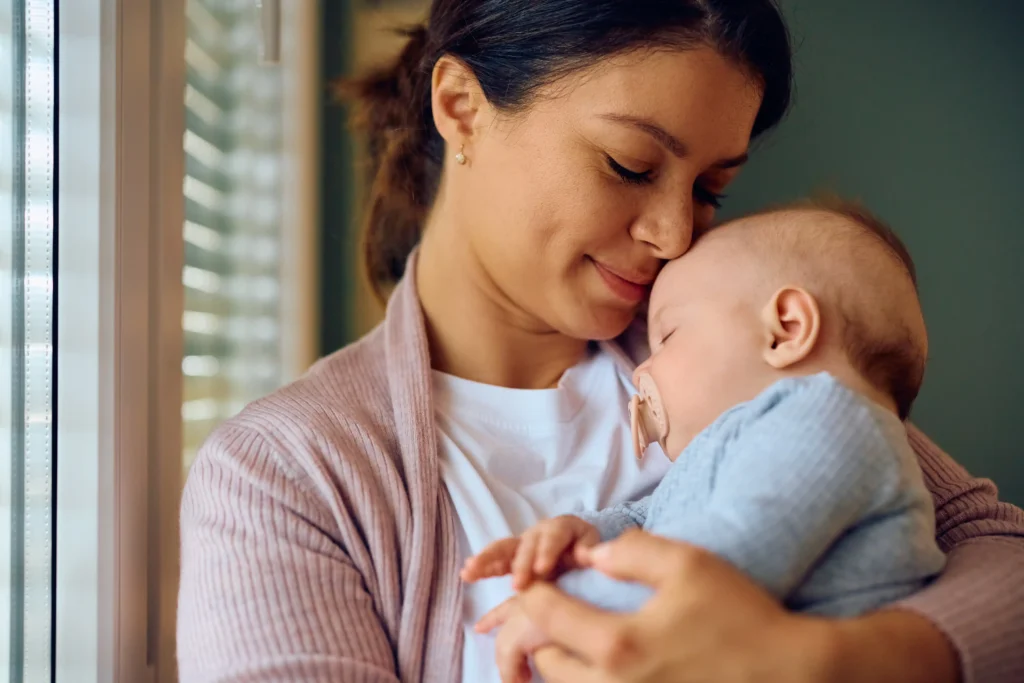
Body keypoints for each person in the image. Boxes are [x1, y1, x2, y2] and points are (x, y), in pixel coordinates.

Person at [175, 1, 1024, 682]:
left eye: (710, 189)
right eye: (629, 165)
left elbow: (999, 549)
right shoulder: (288, 477)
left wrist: (827, 663)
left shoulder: (732, 350)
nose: (674, 235)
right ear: (462, 108)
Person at [463, 202, 948, 682]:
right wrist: (586, 536)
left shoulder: (834, 427)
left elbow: (722, 557)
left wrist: (560, 610)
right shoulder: (750, 437)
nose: (643, 369)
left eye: (668, 335)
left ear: (786, 330)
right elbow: (649, 517)